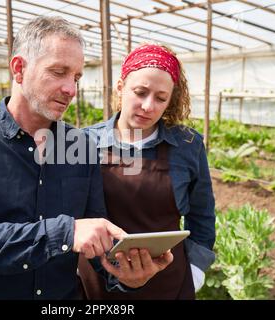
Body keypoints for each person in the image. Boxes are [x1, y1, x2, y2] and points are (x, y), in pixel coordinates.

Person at [0, 17, 173, 300]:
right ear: (19, 69)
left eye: (76, 77)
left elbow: (95, 237)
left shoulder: (82, 146)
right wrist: (65, 233)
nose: (71, 89)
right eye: (59, 72)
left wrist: (123, 272)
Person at [78, 44, 216, 299]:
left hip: (166, 279)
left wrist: (196, 268)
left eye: (161, 98)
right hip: (99, 278)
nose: (148, 106)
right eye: (140, 92)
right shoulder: (85, 142)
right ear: (120, 87)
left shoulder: (187, 145)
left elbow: (202, 213)